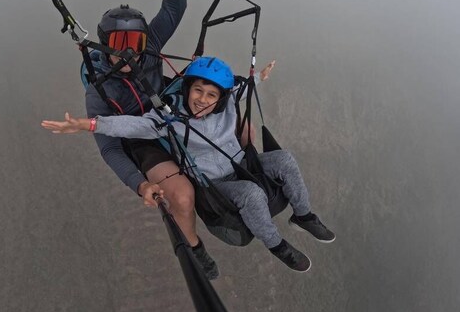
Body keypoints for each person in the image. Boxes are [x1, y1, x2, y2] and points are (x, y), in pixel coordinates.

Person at [42, 57, 335, 274]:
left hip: (244, 164)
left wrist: (260, 76)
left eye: (211, 95)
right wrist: (89, 124)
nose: (202, 100)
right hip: (217, 186)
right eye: (197, 91)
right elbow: (131, 125)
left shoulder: (227, 105)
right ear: (187, 90)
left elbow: (242, 90)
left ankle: (304, 214)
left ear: (220, 98)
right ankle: (277, 245)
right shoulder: (170, 121)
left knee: (284, 159)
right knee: (252, 194)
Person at [83, 0, 218, 275]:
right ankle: (193, 247)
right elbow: (110, 147)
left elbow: (174, 7)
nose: (128, 54)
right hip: (144, 140)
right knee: (182, 197)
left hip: (172, 116)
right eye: (118, 45)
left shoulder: (152, 48)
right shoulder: (99, 88)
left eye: (135, 45)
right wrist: (140, 183)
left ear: (145, 42)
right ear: (103, 45)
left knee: (241, 131)